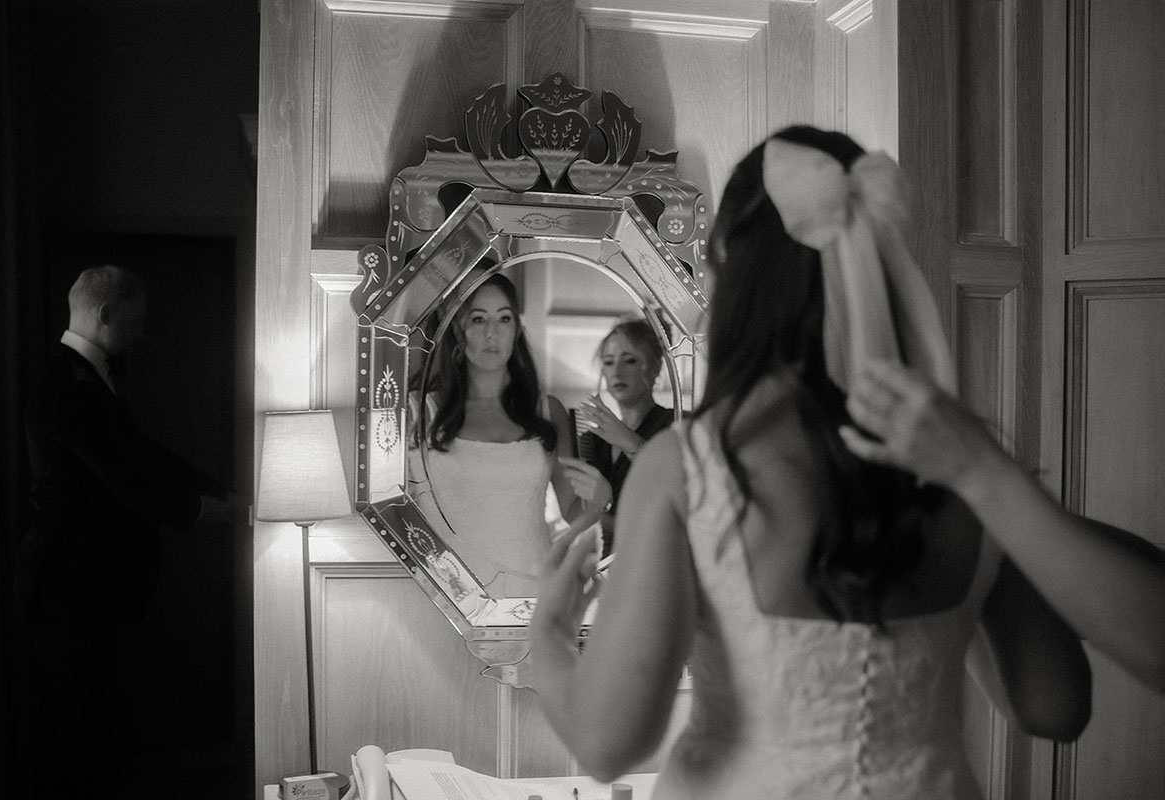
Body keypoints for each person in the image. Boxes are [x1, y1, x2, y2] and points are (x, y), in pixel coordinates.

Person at [526, 126, 1135, 798]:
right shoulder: (962, 462)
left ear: (727, 265)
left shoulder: (688, 468)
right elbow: (1054, 704)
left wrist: (551, 633)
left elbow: (610, 743)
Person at [19, 264, 231, 800]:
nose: (143, 332)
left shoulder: (88, 376)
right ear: (106, 314)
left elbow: (141, 452)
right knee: (68, 728)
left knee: (89, 719)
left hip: (88, 585)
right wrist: (212, 511)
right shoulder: (65, 384)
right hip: (66, 586)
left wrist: (220, 487)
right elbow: (128, 479)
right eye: (136, 321)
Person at [411, 272, 611, 599]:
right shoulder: (420, 412)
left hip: (532, 593)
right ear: (457, 330)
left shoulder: (547, 411)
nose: (493, 333)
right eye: (478, 319)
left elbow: (574, 510)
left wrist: (601, 501)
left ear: (516, 329)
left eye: (504, 319)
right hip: (449, 595)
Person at [574, 319, 674, 557]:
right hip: (602, 564)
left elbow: (678, 493)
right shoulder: (593, 440)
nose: (617, 372)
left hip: (657, 558)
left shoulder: (676, 425)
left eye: (630, 360)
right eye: (608, 362)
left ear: (655, 367)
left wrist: (629, 441)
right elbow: (583, 517)